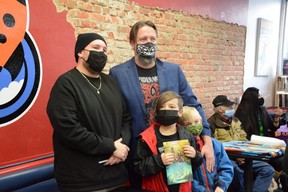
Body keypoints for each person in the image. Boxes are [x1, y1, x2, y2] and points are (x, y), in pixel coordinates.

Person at [109, 20, 214, 189]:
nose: (149, 42)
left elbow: (194, 105)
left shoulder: (173, 71)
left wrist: (207, 142)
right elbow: (114, 115)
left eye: (153, 38)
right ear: (132, 43)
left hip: (176, 149)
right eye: (143, 39)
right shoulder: (118, 73)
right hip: (141, 154)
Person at [46, 33, 132, 192]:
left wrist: (122, 146)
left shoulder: (110, 82)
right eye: (96, 48)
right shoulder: (66, 84)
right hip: (82, 181)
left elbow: (126, 118)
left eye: (105, 50)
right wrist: (110, 147)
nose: (101, 53)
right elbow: (68, 129)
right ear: (80, 52)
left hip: (117, 175)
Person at [133, 91, 203, 192]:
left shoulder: (187, 136)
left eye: (171, 107)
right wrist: (159, 161)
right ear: (157, 111)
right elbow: (137, 168)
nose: (166, 110)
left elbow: (193, 168)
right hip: (155, 188)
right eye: (162, 106)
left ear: (180, 112)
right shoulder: (146, 138)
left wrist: (195, 156)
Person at [208, 95, 275, 192]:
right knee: (237, 171)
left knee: (268, 170)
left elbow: (244, 138)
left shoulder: (235, 121)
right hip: (228, 159)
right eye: (229, 107)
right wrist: (236, 156)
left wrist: (246, 153)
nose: (232, 109)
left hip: (244, 156)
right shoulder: (211, 124)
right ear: (219, 109)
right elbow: (215, 148)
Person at [178, 106, 234, 192]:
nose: (194, 126)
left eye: (196, 121)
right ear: (181, 126)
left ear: (201, 121)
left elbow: (226, 168)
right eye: (188, 124)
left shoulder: (215, 144)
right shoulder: (181, 148)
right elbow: (184, 178)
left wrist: (221, 187)